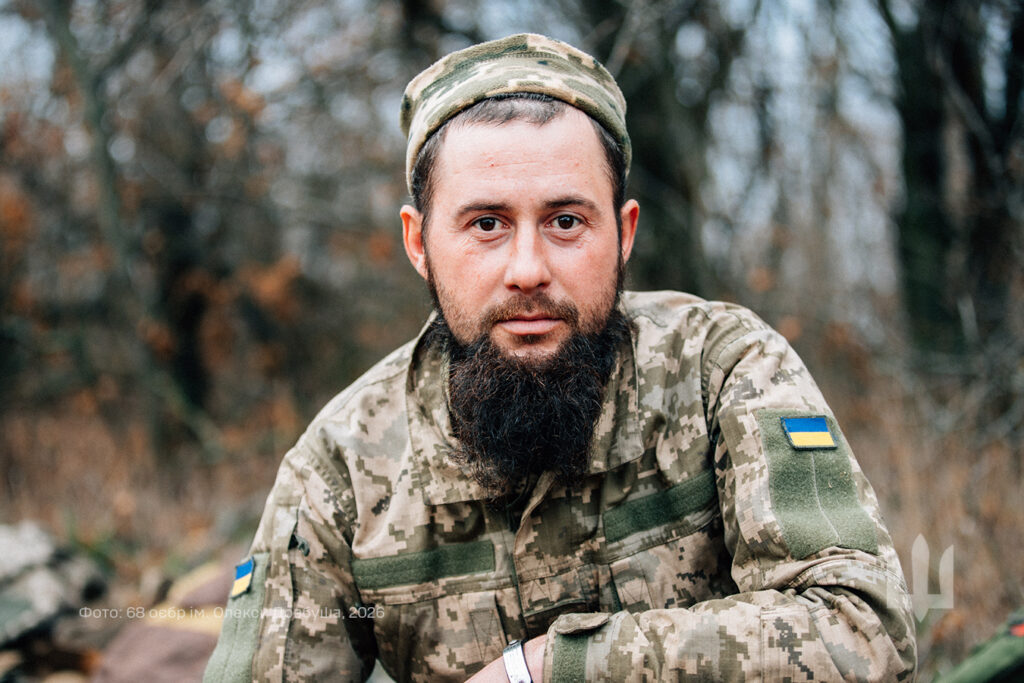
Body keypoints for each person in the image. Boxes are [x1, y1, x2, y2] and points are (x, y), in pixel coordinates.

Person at [204, 33, 916, 681]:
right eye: (487, 223)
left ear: (624, 233)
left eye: (566, 221)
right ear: (419, 243)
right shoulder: (341, 467)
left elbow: (863, 635)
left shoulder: (722, 370)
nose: (528, 269)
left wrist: (553, 669)